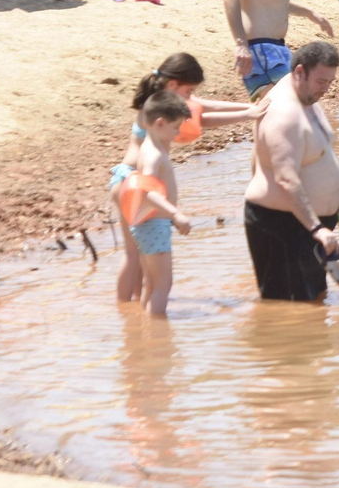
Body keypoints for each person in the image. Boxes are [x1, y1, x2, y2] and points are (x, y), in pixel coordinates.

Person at [110, 54, 263, 303]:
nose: (191, 98)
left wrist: (249, 108)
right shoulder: (162, 108)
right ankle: (131, 310)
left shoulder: (157, 100)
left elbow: (203, 106)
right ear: (173, 86)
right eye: (189, 91)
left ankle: (130, 316)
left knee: (134, 255)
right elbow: (201, 118)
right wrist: (248, 114)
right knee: (137, 256)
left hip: (123, 179)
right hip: (136, 181)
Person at [243, 41, 339, 302]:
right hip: (282, 224)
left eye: (330, 82)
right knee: (286, 309)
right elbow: (286, 179)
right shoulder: (283, 114)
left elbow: (324, 151)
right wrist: (317, 228)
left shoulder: (307, 98)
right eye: (321, 81)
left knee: (315, 301)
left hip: (307, 223)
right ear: (300, 72)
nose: (326, 89)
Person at [121, 90, 194, 317]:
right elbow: (145, 190)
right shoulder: (153, 155)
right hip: (155, 225)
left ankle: (144, 331)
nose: (178, 132)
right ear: (160, 123)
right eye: (176, 127)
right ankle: (158, 337)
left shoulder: (149, 146)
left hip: (146, 225)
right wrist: (175, 214)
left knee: (151, 285)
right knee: (164, 285)